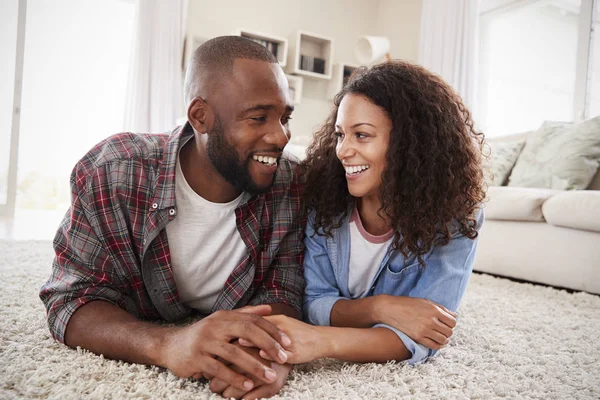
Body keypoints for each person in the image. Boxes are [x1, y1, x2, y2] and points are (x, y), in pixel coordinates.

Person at [39, 36, 306, 399]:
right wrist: (168, 344)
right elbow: (71, 300)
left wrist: (261, 352)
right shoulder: (114, 171)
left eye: (285, 117)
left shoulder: (292, 183)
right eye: (258, 117)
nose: (281, 135)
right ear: (200, 116)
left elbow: (284, 291)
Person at [243, 60, 486, 366]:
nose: (342, 150)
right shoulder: (325, 198)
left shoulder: (455, 213)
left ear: (409, 144)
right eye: (340, 134)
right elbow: (314, 303)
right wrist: (379, 309)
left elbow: (426, 335)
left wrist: (322, 341)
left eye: (362, 135)